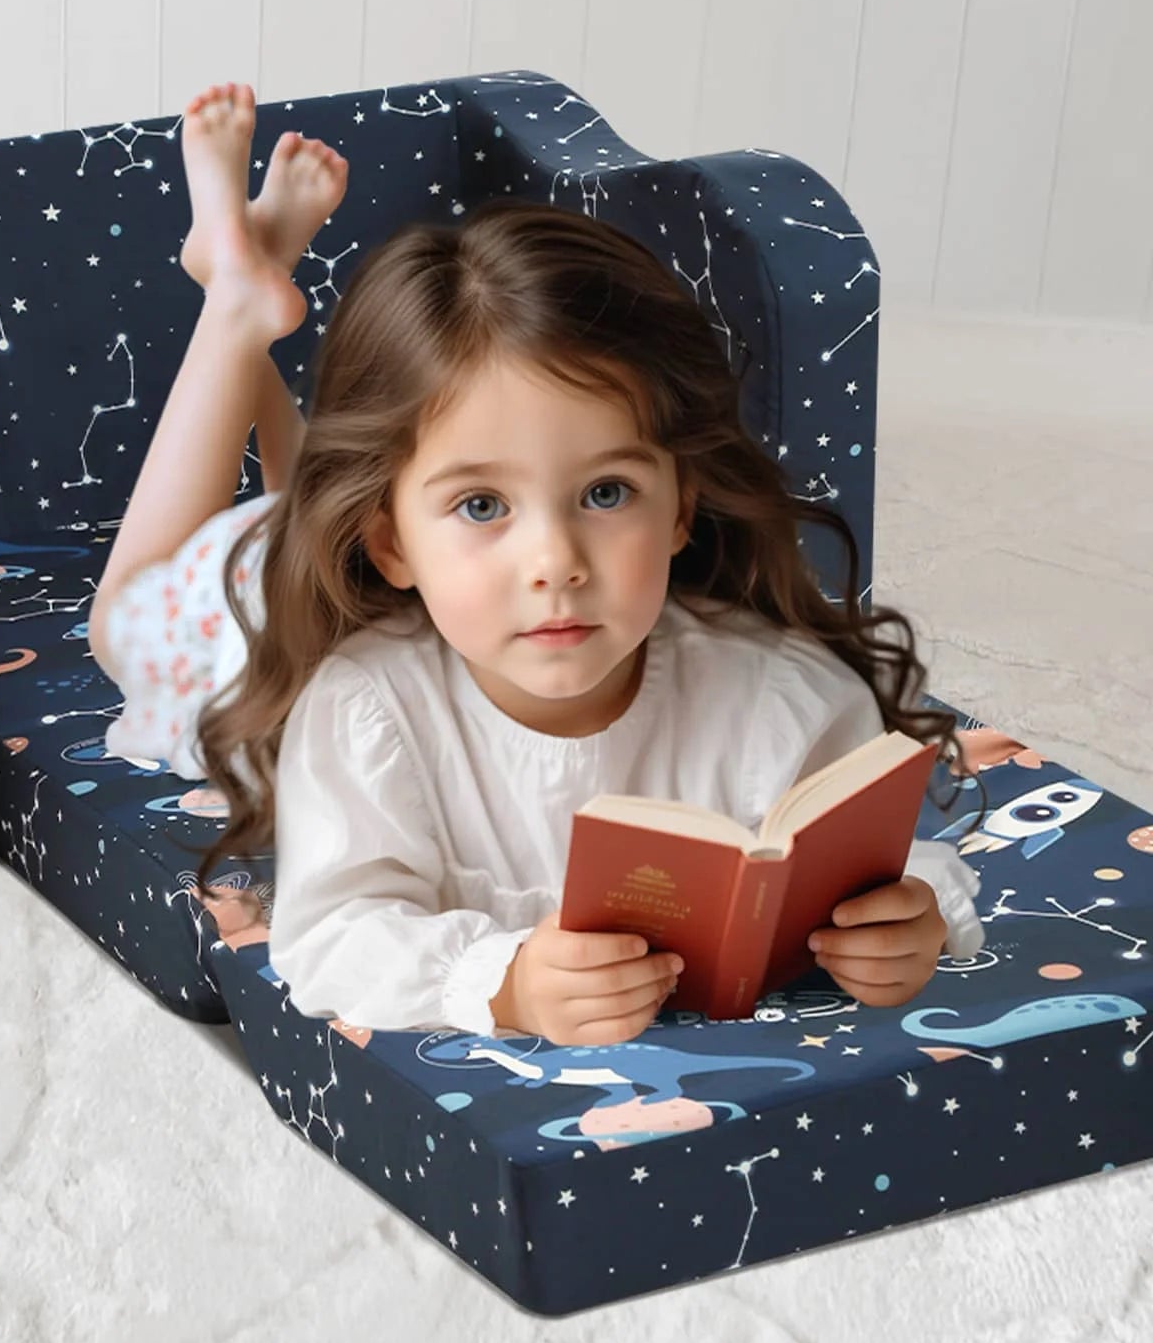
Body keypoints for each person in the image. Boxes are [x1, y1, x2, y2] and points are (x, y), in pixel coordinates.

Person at [87, 80, 987, 1048]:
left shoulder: (780, 699)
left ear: (681, 503)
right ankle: (229, 299)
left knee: (338, 476)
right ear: (390, 546)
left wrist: (912, 916)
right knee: (123, 617)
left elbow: (888, 864)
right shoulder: (361, 709)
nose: (554, 562)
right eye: (485, 505)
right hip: (245, 626)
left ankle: (250, 283)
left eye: (606, 493)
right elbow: (329, 937)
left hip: (374, 526)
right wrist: (502, 981)